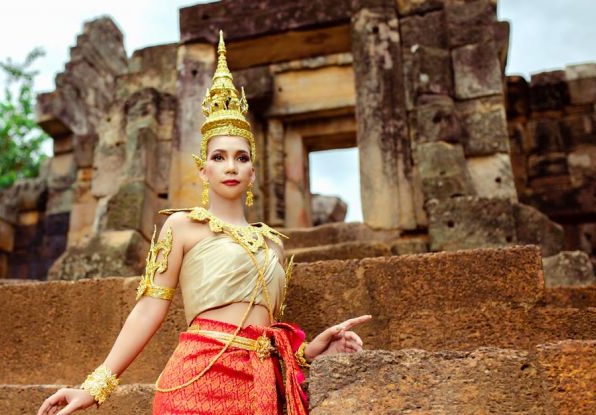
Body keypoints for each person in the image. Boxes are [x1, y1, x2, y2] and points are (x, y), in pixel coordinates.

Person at [37, 31, 371, 415]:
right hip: (198, 378)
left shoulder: (272, 244)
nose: (231, 166)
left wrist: (312, 351)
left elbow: (263, 330)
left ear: (253, 172)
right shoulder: (181, 227)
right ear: (203, 170)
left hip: (262, 387)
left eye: (242, 158)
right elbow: (148, 309)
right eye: (219, 157)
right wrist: (95, 386)